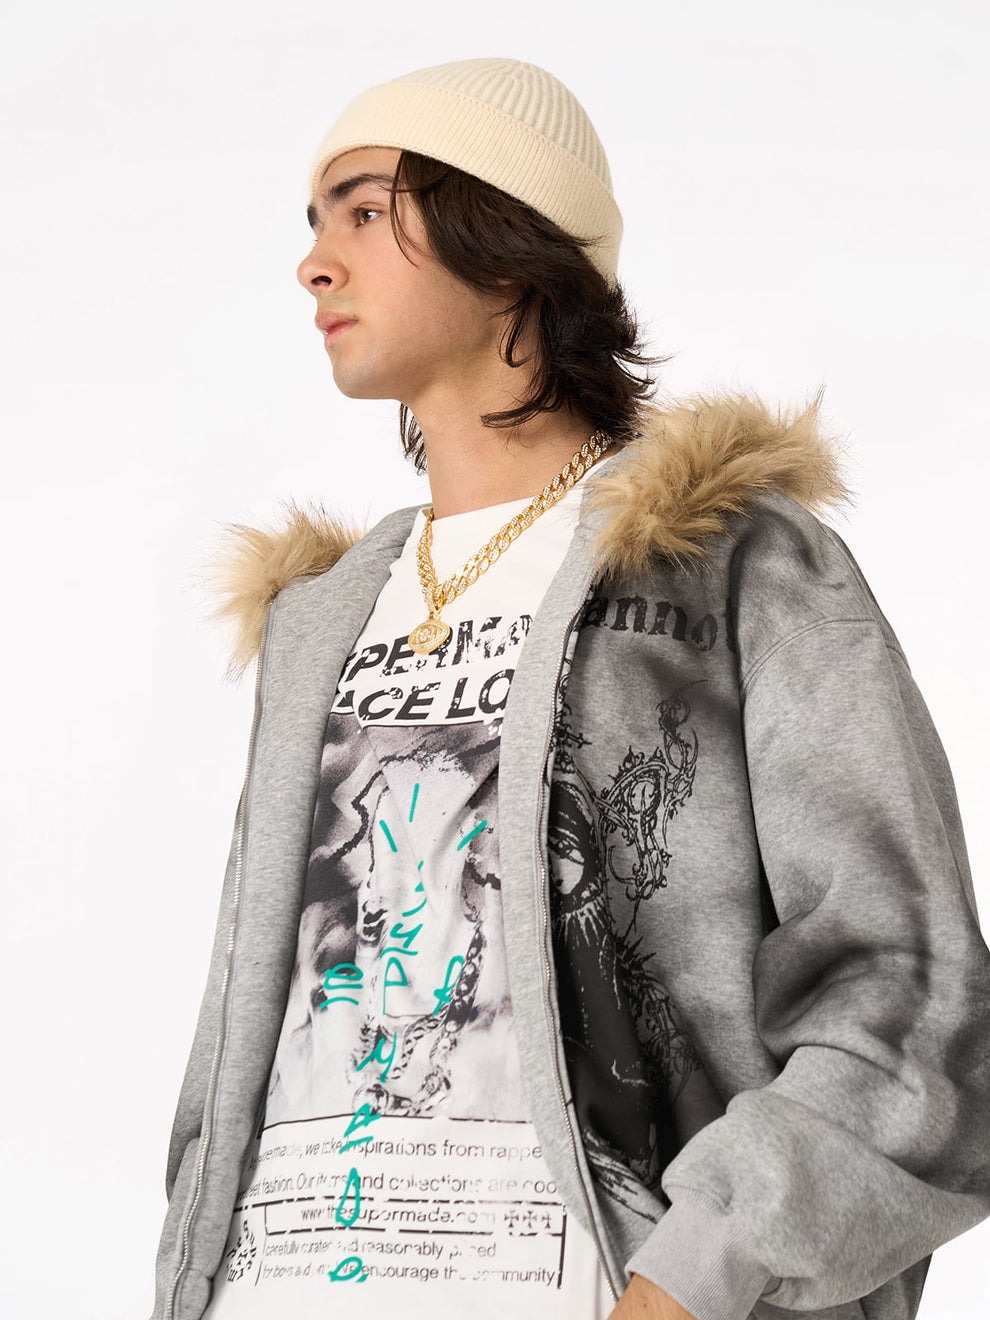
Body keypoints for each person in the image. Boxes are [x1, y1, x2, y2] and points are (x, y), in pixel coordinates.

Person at [148, 58, 990, 1320]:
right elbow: (235, 1057)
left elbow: (913, 1004)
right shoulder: (321, 619)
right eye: (314, 223)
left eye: (365, 211)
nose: (315, 264)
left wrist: (687, 1286)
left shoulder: (728, 566)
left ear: (508, 247)